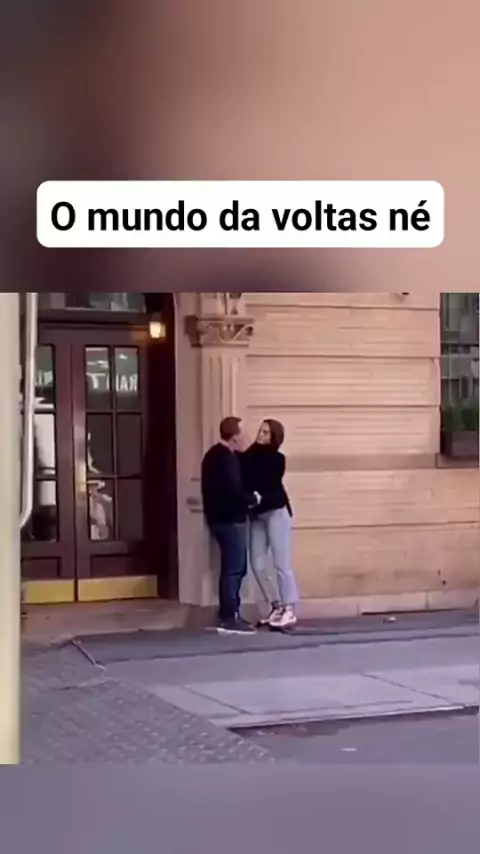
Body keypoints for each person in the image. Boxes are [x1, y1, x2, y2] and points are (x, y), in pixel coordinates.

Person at [201, 416, 261, 635]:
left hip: (220, 518)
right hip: (229, 519)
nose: (246, 436)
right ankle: (228, 616)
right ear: (235, 437)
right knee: (234, 569)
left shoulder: (214, 455)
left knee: (233, 568)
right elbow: (233, 490)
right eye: (243, 432)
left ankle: (230, 613)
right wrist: (253, 499)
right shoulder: (225, 458)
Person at [242, 419, 299, 630]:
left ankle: (289, 608)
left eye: (266, 432)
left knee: (281, 563)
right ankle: (276, 605)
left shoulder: (277, 459)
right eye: (260, 431)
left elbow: (266, 482)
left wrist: (254, 495)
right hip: (257, 514)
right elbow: (244, 480)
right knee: (256, 563)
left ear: (274, 437)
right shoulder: (248, 455)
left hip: (276, 511)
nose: (260, 435)